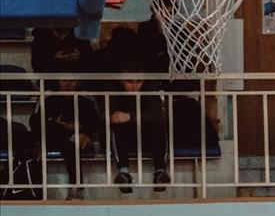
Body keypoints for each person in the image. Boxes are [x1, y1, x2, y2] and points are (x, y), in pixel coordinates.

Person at [29, 69, 101, 201]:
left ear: (78, 82)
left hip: (78, 138)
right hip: (52, 136)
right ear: (58, 80)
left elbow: (96, 122)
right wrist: (56, 123)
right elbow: (34, 121)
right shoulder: (47, 95)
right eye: (64, 80)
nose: (67, 84)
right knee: (63, 136)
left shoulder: (86, 97)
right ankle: (76, 187)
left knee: (71, 145)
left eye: (71, 81)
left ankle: (76, 189)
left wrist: (79, 126)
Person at [108, 59, 170, 193]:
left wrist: (130, 117)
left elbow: (158, 114)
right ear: (122, 81)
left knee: (157, 127)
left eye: (138, 82)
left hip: (146, 137)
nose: (134, 86)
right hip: (125, 138)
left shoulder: (149, 91)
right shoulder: (114, 92)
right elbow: (110, 117)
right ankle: (123, 173)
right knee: (118, 127)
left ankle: (160, 172)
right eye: (130, 82)